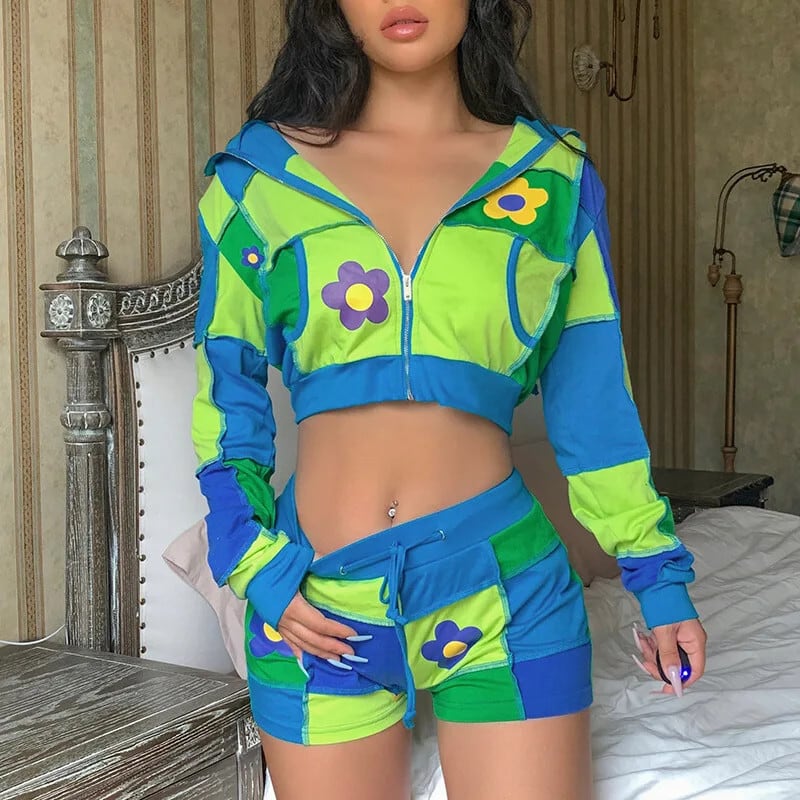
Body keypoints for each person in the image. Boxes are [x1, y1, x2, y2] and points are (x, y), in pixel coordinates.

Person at [191, 1, 707, 798]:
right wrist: (255, 566)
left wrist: (657, 577)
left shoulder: (553, 180)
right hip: (318, 598)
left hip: (508, 589)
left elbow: (595, 406)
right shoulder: (257, 180)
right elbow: (227, 402)